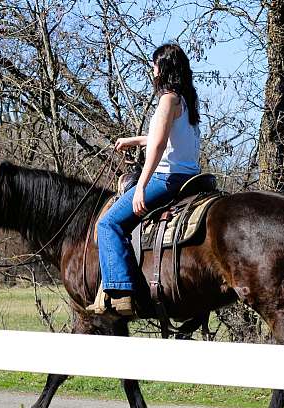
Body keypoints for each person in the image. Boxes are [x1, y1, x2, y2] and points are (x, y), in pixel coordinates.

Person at [88, 43, 201, 315]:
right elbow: (170, 140)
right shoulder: (186, 100)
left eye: (154, 65)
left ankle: (120, 293)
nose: (152, 71)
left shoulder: (168, 99)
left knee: (108, 224)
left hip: (167, 178)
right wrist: (134, 140)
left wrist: (140, 186)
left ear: (163, 68)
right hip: (190, 176)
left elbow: (160, 146)